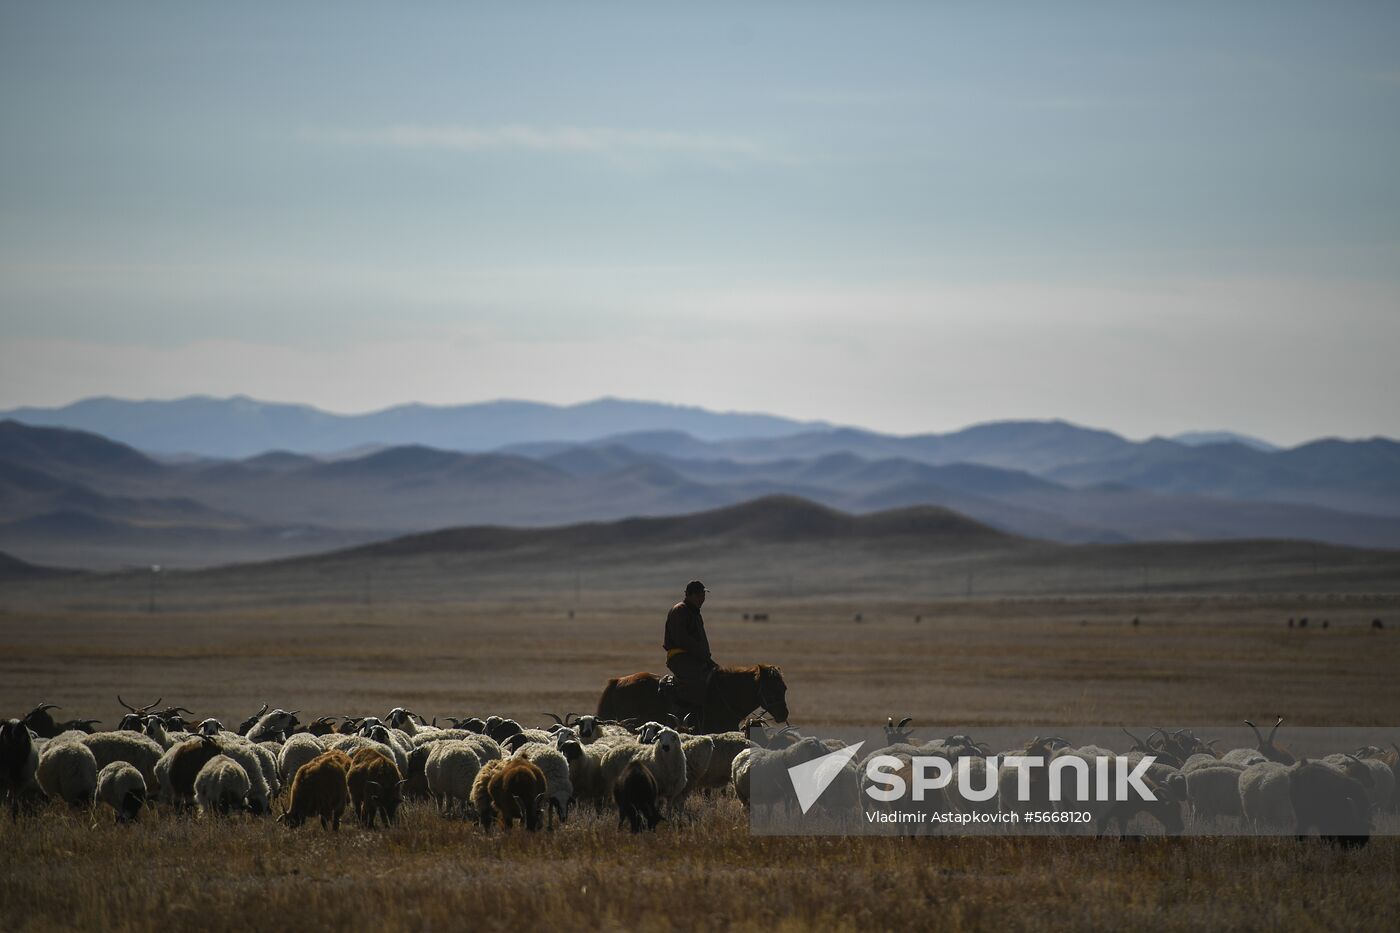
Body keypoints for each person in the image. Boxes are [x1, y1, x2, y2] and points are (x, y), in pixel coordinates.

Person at [663, 580, 717, 725]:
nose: (702, 599)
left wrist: (708, 659)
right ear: (690, 595)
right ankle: (681, 718)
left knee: (717, 677)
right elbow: (682, 639)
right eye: (699, 595)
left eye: (703, 595)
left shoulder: (694, 612)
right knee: (696, 681)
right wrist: (701, 655)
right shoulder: (680, 610)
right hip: (680, 656)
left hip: (695, 657)